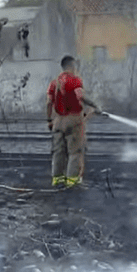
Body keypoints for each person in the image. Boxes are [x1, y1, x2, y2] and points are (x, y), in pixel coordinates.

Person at [45, 55, 103, 189]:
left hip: (58, 122)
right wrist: (95, 106)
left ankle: (57, 180)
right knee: (74, 153)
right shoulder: (75, 81)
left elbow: (48, 103)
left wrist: (49, 120)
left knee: (58, 152)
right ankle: (71, 183)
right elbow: (80, 96)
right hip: (73, 121)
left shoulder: (54, 83)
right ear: (71, 66)